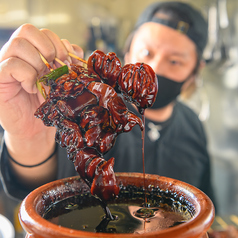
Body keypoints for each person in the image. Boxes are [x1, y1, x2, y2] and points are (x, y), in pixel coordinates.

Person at [0, 1, 216, 209]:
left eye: (175, 61)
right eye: (147, 53)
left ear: (194, 73)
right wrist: (27, 139)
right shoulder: (88, 108)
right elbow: (39, 191)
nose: (154, 67)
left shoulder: (193, 125)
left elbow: (204, 205)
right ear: (128, 52)